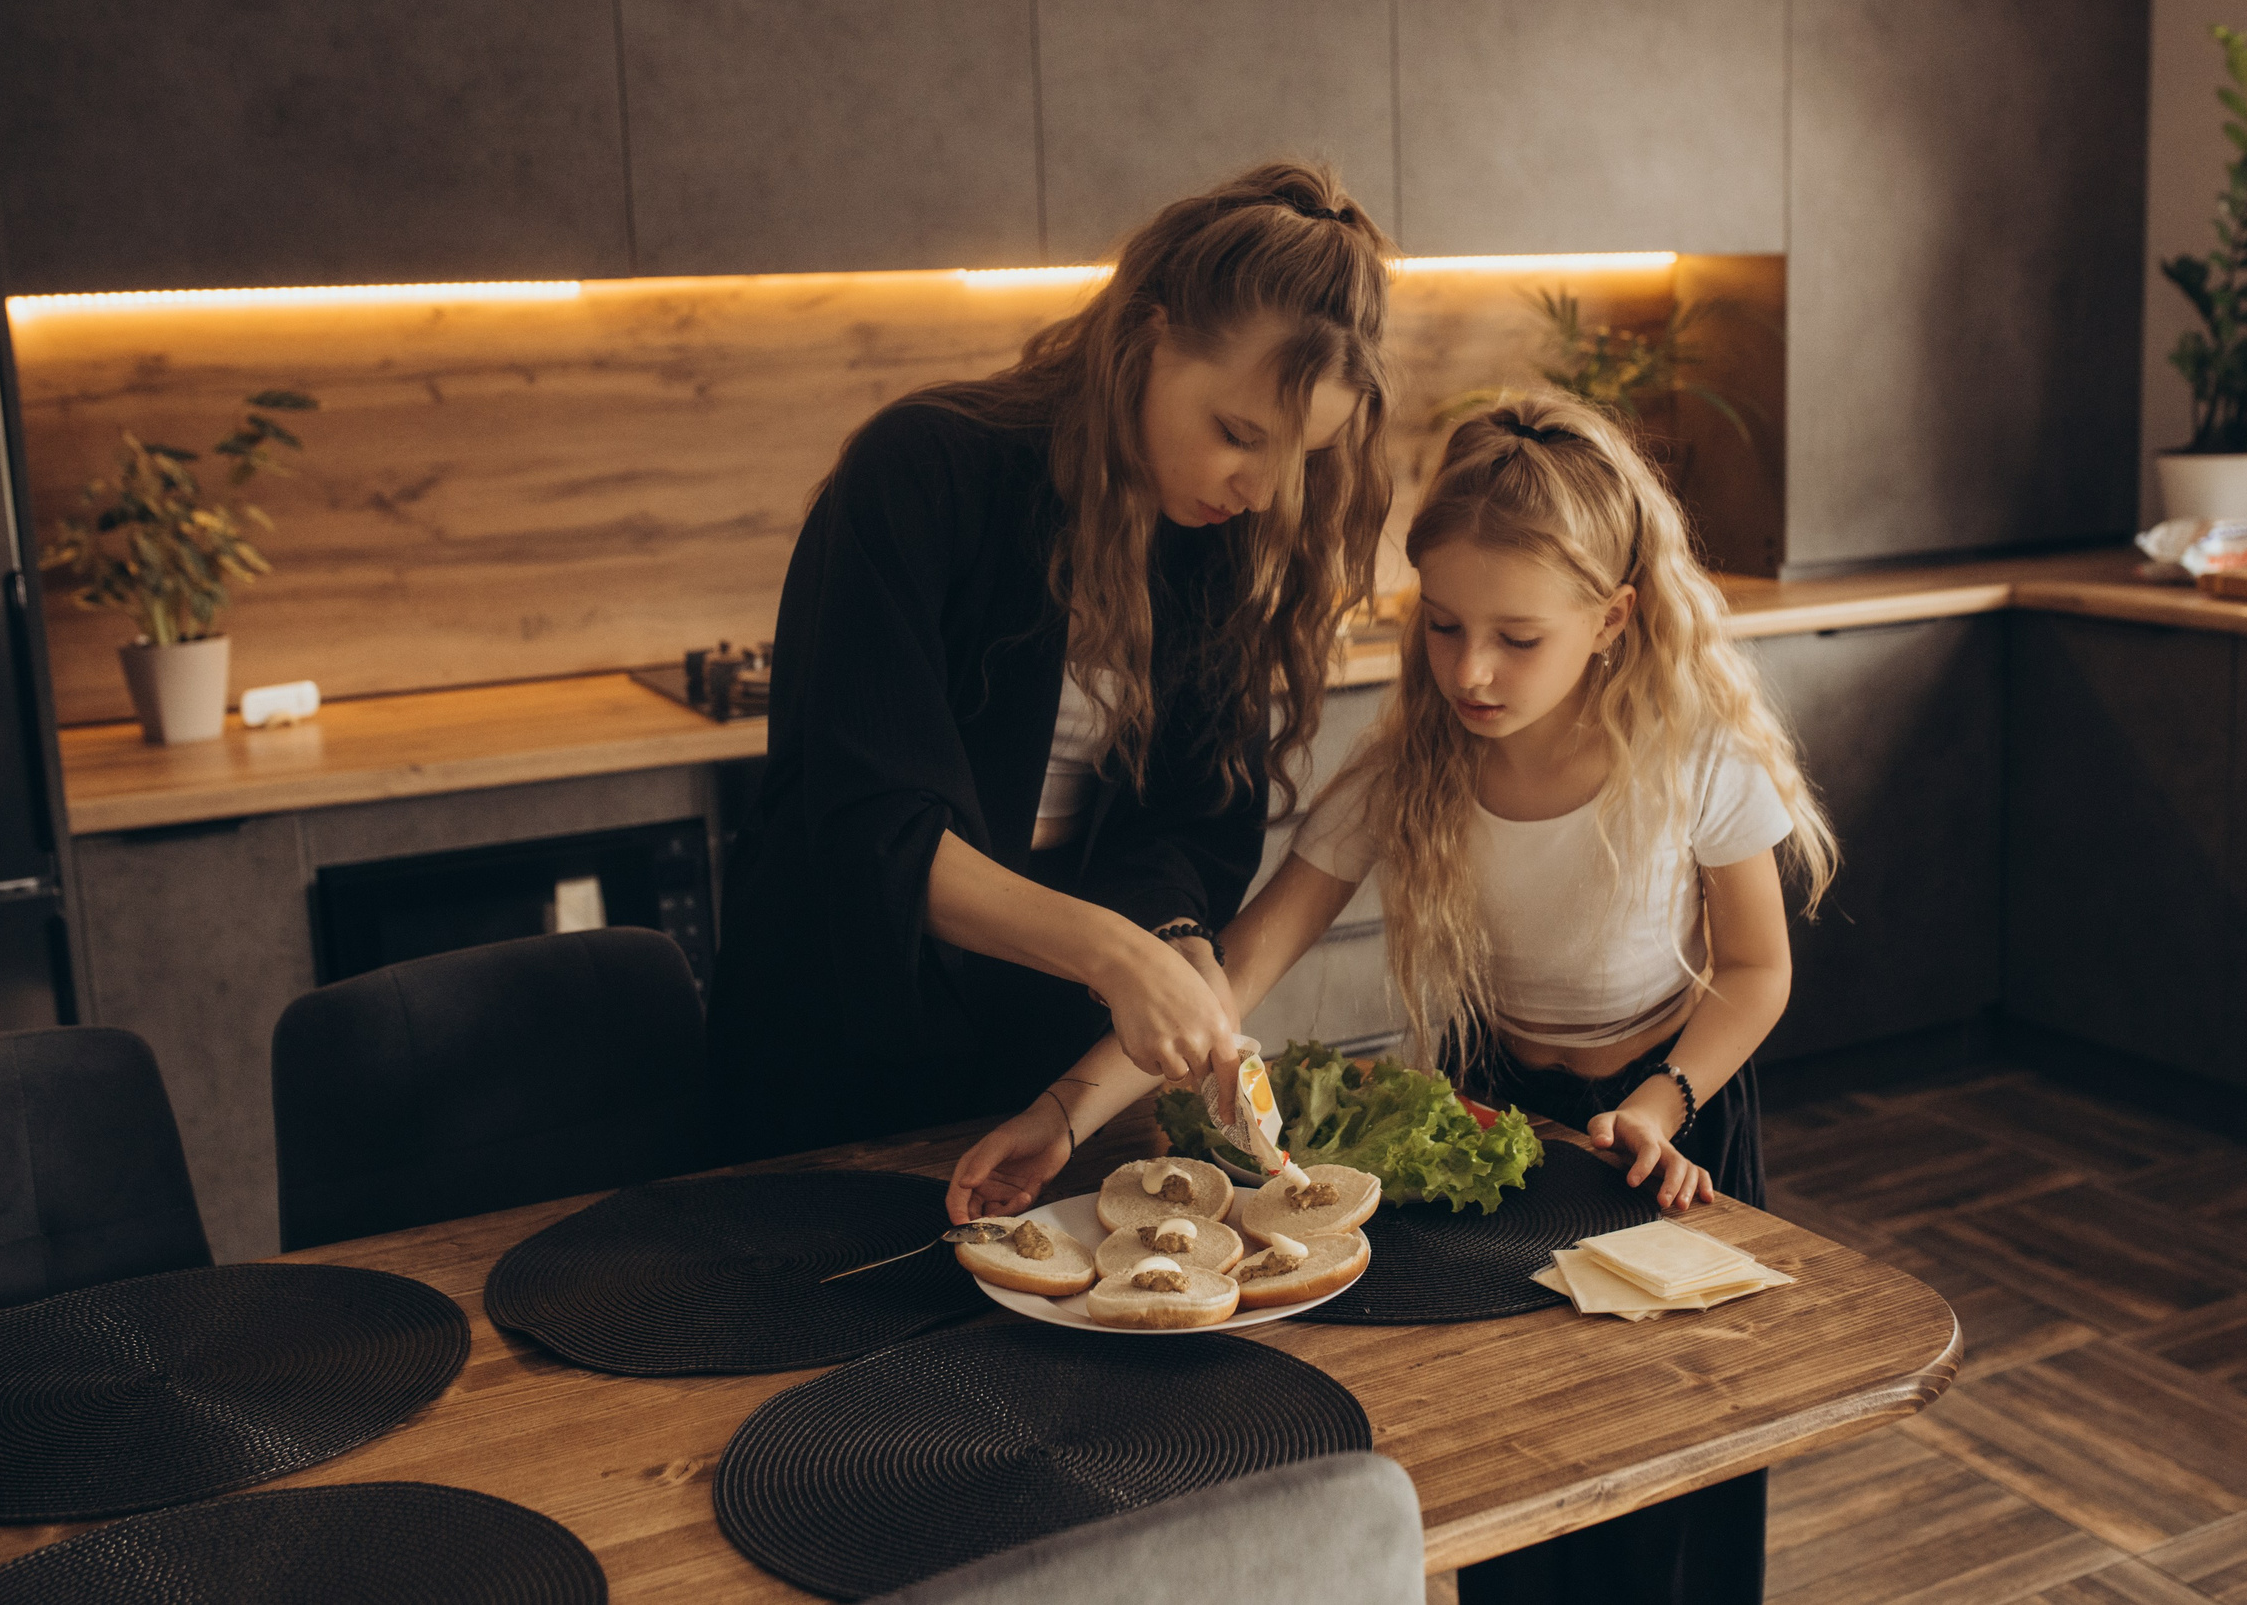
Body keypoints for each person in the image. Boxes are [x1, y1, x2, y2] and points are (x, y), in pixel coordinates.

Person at [950, 389, 1834, 1605]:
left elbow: (1757, 972)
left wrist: (1660, 1102)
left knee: (1675, 1463)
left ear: (1612, 619)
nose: (1469, 671)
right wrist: (1064, 1113)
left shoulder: (1697, 755)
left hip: (1672, 1123)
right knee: (1523, 1451)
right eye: (1443, 626)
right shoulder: (1407, 767)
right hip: (1504, 1130)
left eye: (1516, 638)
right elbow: (1229, 974)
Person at [706, 162, 1396, 1161]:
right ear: (1147, 336)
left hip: (1041, 1054)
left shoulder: (1221, 540)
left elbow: (1189, 824)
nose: (1261, 488)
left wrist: (1172, 937)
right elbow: (873, 827)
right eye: (1238, 434)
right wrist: (1116, 955)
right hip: (838, 1038)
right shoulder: (925, 470)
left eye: (1301, 455)